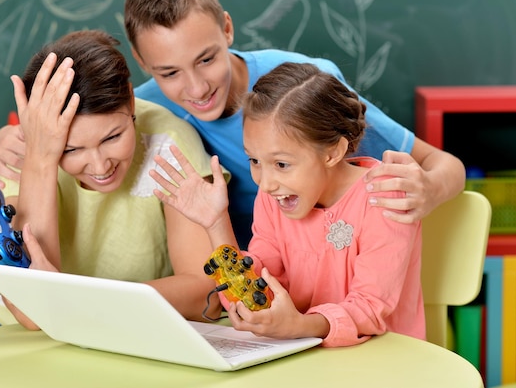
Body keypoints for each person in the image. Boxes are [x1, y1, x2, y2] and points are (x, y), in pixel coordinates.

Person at [0, 0, 465, 249]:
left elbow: (445, 164)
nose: (195, 88)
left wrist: (430, 189)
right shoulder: (142, 110)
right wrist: (9, 141)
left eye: (207, 58)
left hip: (336, 265)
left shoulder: (301, 84)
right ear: (143, 67)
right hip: (251, 279)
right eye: (169, 72)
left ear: (228, 29)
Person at [150, 62, 425, 347]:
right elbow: (260, 291)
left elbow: (369, 309)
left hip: (384, 361)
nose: (265, 183)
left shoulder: (386, 196)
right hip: (303, 357)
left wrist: (299, 325)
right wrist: (216, 223)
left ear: (333, 152)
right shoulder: (275, 197)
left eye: (281, 164)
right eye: (254, 160)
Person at [0, 29, 228, 329]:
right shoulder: (24, 150)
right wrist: (41, 158)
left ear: (131, 101)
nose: (101, 165)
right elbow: (31, 313)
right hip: (15, 331)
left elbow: (208, 295)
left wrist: (80, 304)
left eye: (113, 137)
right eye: (71, 149)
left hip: (132, 324)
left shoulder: (167, 141)